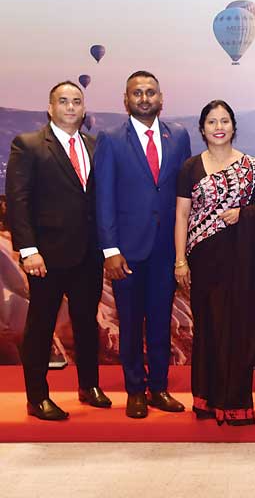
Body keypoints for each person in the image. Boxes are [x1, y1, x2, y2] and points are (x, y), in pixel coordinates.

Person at [6, 81, 111, 420]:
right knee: (41, 325)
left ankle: (89, 386)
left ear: (84, 108)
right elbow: (18, 201)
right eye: (63, 101)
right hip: (46, 257)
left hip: (89, 254)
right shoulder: (29, 145)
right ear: (50, 108)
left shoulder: (95, 146)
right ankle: (37, 397)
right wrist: (28, 250)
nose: (70, 107)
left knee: (86, 322)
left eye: (76, 101)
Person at [174, 100, 255, 426]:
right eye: (211, 122)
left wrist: (242, 214)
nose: (218, 127)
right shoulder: (191, 167)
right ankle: (207, 399)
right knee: (207, 328)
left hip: (240, 260)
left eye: (224, 121)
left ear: (234, 127)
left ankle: (235, 403)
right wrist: (180, 261)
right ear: (202, 129)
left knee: (236, 329)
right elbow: (181, 215)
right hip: (203, 260)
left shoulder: (252, 168)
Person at [95, 70, 191, 419]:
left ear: (161, 98)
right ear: (126, 100)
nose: (144, 98)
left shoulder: (178, 136)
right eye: (137, 93)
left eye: (151, 92)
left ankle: (159, 388)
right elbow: (104, 198)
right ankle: (135, 390)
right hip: (127, 252)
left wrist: (182, 251)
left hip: (166, 250)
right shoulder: (110, 139)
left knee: (161, 323)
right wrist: (110, 250)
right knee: (132, 324)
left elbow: (184, 195)